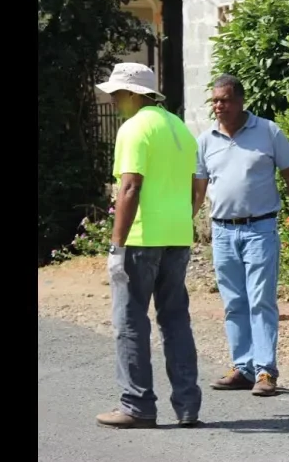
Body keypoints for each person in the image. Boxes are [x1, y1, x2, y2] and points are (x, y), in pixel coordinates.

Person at [95, 63, 203, 428]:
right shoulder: (179, 128)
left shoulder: (134, 128)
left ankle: (136, 404)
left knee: (130, 323)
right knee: (175, 321)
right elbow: (197, 186)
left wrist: (115, 244)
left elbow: (129, 187)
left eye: (116, 92)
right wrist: (183, 218)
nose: (111, 99)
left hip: (141, 239)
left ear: (133, 94)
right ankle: (187, 407)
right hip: (177, 237)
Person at [193, 74, 289, 397]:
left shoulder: (268, 131)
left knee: (261, 300)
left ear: (241, 100)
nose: (219, 106)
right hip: (223, 231)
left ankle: (265, 371)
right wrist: (183, 224)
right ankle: (242, 367)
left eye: (226, 100)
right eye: (215, 100)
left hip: (260, 228)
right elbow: (199, 191)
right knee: (233, 302)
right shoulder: (206, 141)